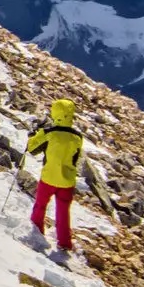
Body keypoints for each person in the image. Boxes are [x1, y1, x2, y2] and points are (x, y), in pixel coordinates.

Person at [27, 98, 84, 256]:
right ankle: (64, 242)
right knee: (63, 211)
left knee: (40, 205)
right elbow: (75, 158)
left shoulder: (49, 133)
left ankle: (37, 231)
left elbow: (31, 148)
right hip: (67, 180)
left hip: (49, 177)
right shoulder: (77, 137)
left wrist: (34, 135)